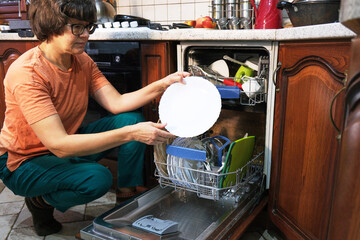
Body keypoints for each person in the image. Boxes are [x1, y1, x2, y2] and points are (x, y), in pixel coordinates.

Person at [0, 0, 189, 236]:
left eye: (88, 26)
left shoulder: (82, 61)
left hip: (63, 144)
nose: (85, 34)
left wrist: (163, 84)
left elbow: (116, 103)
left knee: (130, 119)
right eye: (77, 27)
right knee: (98, 178)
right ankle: (40, 202)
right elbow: (59, 145)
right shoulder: (28, 73)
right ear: (52, 25)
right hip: (21, 161)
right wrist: (132, 134)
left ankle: (125, 195)